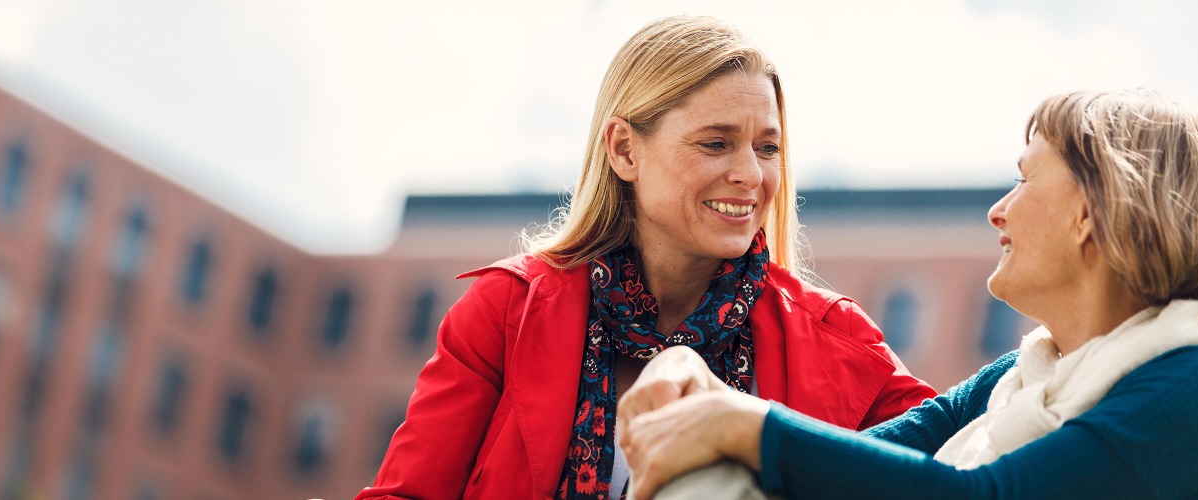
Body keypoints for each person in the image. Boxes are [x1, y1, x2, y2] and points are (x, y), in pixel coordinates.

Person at [357, 16, 935, 500]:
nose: (750, 175)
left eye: (767, 148)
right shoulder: (506, 311)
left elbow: (972, 455)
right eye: (715, 143)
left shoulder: (839, 342)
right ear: (625, 149)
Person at [618, 88, 1198, 500]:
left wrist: (745, 425)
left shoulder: (1190, 384)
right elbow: (855, 466)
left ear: (1090, 213)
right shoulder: (1025, 375)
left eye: (1025, 180)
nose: (997, 212)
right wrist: (690, 371)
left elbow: (984, 496)